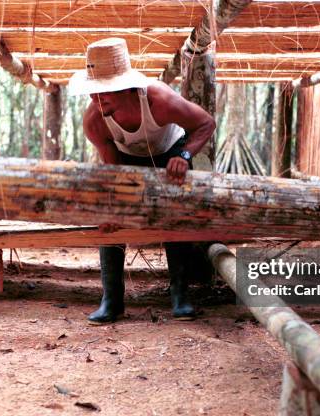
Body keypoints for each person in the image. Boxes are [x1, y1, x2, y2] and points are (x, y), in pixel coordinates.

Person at [70, 38, 216, 324]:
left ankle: (180, 296)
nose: (97, 100)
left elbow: (205, 123)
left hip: (170, 153)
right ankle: (111, 300)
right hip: (127, 160)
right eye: (93, 93)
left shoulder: (158, 99)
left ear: (125, 87)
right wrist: (114, 205)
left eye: (104, 93)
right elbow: (114, 172)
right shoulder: (95, 121)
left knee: (174, 211)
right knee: (111, 215)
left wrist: (184, 155)